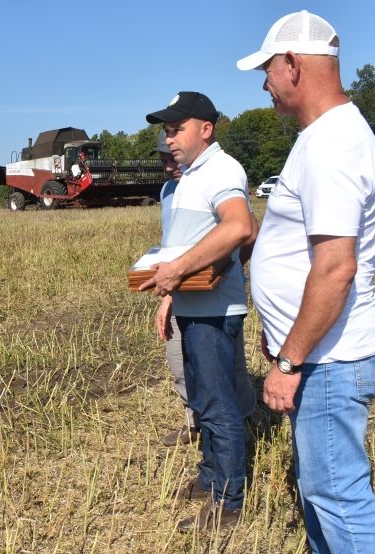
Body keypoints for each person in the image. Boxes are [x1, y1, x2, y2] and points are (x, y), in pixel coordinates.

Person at [237, 11, 375, 554]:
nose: (265, 86)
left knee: (337, 485)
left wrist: (289, 360)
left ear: (294, 66)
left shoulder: (330, 146)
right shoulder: (327, 136)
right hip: (318, 350)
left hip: (330, 355)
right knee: (316, 472)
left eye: (268, 72)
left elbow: (334, 270)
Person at [139, 92, 257, 531]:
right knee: (206, 398)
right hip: (192, 304)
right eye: (166, 131)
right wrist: (171, 291)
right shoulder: (188, 176)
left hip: (214, 308)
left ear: (206, 129)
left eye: (176, 129)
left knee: (218, 402)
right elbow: (185, 243)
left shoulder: (222, 170)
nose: (168, 139)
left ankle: (228, 501)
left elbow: (241, 228)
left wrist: (179, 272)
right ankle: (211, 477)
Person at [154, 130, 256, 448]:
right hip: (179, 289)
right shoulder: (168, 191)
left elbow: (248, 232)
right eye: (162, 160)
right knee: (181, 363)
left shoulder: (212, 179)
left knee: (229, 367)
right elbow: (172, 245)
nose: (169, 165)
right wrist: (169, 292)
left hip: (215, 296)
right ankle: (196, 423)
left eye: (172, 158)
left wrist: (230, 270)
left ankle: (243, 424)